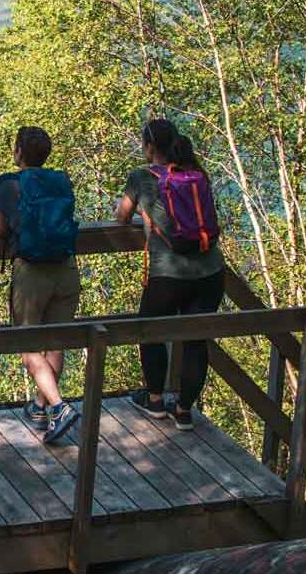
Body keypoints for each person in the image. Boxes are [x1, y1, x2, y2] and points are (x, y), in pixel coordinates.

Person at [114, 118, 224, 431]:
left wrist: (144, 212)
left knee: (148, 330)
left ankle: (156, 400)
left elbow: (121, 217)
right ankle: (185, 410)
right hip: (210, 271)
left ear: (149, 147)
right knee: (196, 339)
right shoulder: (195, 173)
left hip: (167, 273)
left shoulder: (141, 177)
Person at [0, 126, 82, 443]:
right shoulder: (60, 181)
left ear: (17, 152)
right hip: (67, 268)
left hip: (32, 272)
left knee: (28, 343)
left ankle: (58, 407)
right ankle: (41, 408)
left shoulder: (7, 185)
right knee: (55, 341)